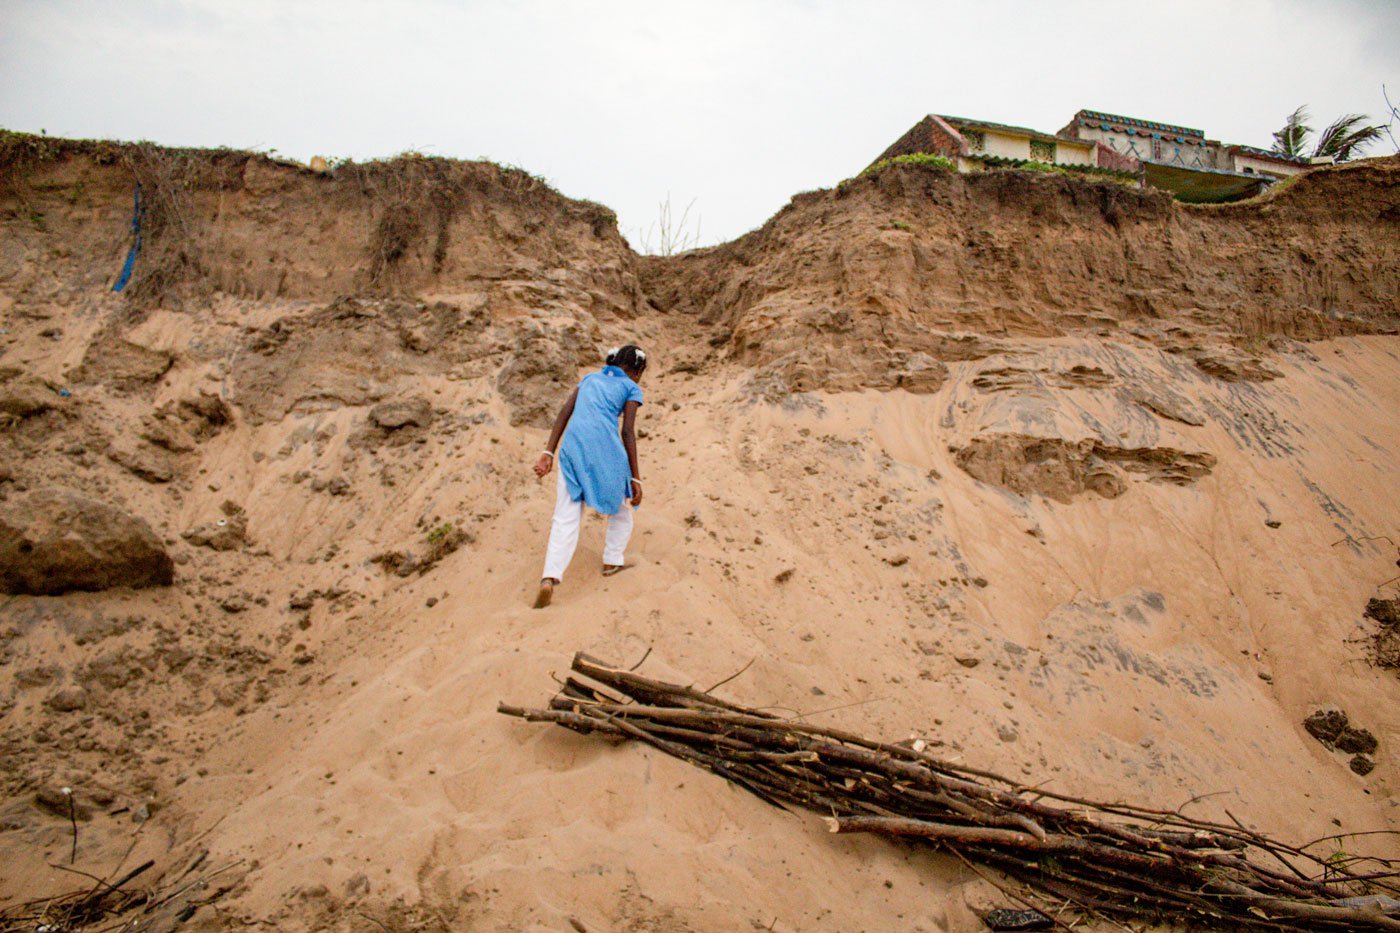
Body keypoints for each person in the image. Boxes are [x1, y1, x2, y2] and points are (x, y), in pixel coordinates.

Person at [531, 345, 647, 608]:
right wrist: (636, 478)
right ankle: (611, 560)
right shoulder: (630, 388)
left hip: (572, 449)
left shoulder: (589, 379)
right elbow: (627, 432)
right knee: (621, 509)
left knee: (566, 516)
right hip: (604, 450)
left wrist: (548, 451)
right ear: (637, 369)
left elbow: (564, 413)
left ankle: (549, 577)